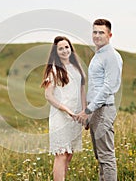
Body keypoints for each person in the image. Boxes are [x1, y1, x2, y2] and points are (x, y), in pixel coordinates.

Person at [75, 19, 123, 181]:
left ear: (110, 35)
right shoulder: (99, 55)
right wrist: (90, 113)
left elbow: (108, 87)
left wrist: (88, 110)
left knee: (106, 157)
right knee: (100, 156)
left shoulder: (111, 56)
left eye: (101, 32)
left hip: (103, 109)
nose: (97, 35)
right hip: (96, 110)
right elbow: (95, 87)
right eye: (95, 32)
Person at [41, 36, 86, 181]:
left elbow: (82, 91)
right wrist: (66, 110)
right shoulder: (53, 70)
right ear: (56, 52)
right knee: (61, 154)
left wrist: (85, 112)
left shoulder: (77, 68)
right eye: (60, 48)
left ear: (71, 49)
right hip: (60, 118)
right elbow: (48, 95)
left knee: (69, 154)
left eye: (67, 47)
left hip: (76, 118)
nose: (65, 50)